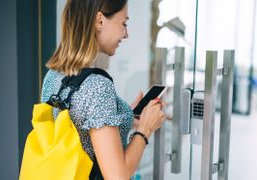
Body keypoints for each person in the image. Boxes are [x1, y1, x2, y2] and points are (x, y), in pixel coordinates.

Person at [41, 0, 165, 179]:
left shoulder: (53, 75)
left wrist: (125, 115)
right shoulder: (98, 86)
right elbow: (117, 176)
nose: (126, 34)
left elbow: (82, 131)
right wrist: (145, 129)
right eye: (124, 23)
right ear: (99, 20)